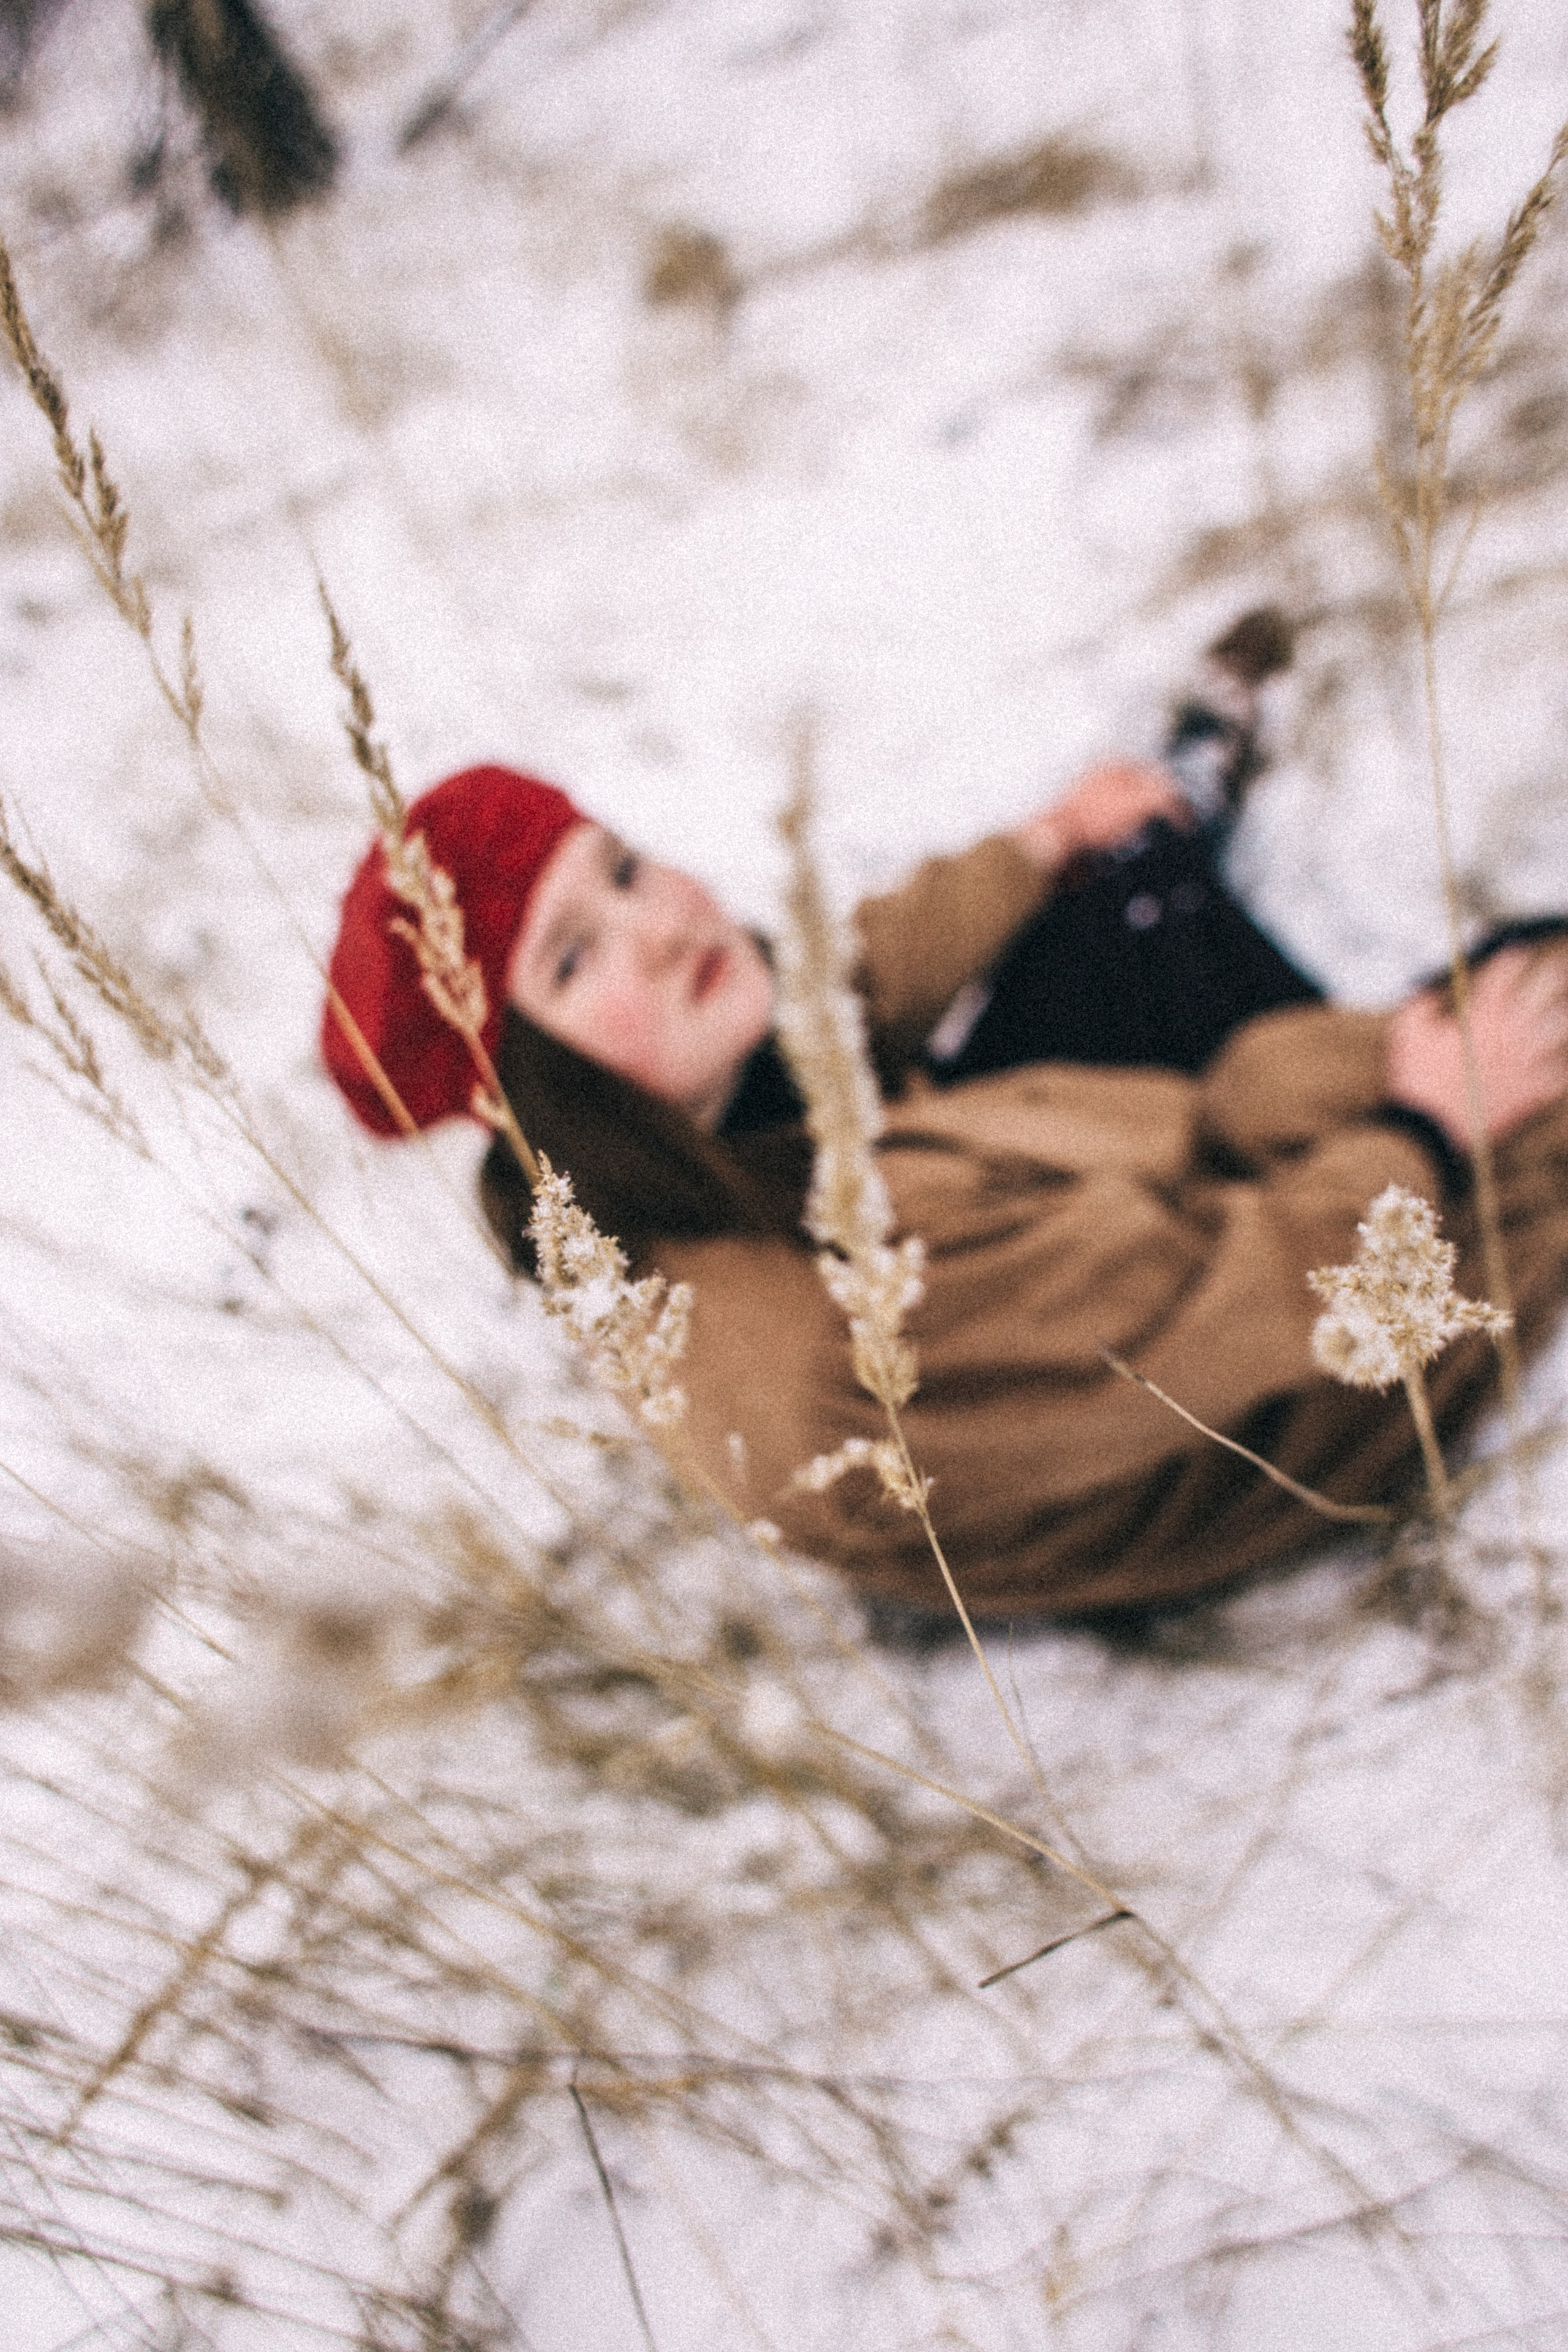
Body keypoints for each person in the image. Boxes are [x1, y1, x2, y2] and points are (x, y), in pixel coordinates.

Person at [322, 638, 1568, 1624]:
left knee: (1095, 900)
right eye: (575, 954)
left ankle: (1156, 828)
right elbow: (1234, 1302)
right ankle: (1188, 879)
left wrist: (1044, 840)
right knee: (1525, 1009)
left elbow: (845, 972)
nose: (659, 926)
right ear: (524, 1089)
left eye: (625, 869)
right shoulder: (829, 1340)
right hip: (1261, 1422)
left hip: (1077, 1274)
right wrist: (1425, 1125)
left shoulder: (646, 1144)